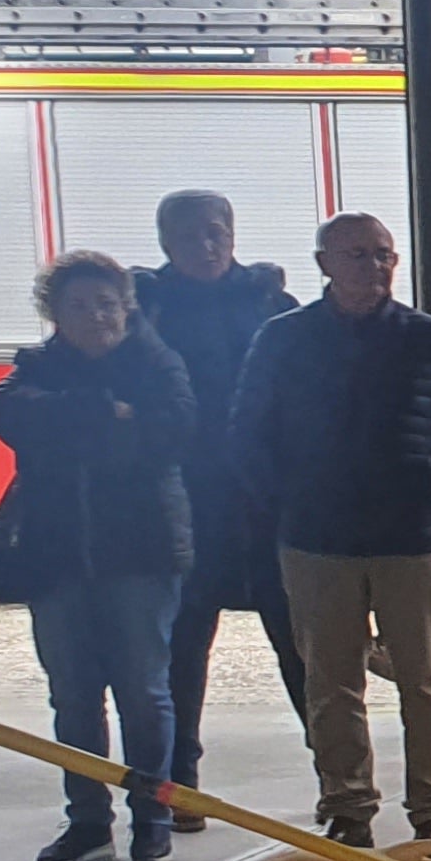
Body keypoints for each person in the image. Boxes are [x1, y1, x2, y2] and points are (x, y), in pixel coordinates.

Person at [235, 211, 431, 850]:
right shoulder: (282, 340)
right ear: (324, 265)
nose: (374, 267)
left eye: (384, 254)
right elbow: (247, 430)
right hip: (317, 539)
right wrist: (280, 503)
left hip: (414, 536)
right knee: (331, 681)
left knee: (428, 682)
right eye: (358, 255)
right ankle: (346, 806)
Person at [0, 253, 195, 861]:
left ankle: (152, 818)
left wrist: (72, 415)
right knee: (72, 696)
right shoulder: (33, 369)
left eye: (106, 303)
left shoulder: (158, 364)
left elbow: (176, 431)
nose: (95, 316)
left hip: (143, 554)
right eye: (78, 305)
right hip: (55, 560)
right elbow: (9, 414)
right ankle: (88, 823)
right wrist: (108, 410)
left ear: (126, 305)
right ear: (54, 314)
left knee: (144, 693)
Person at [131, 189, 305, 825]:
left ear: (232, 233)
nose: (204, 246)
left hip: (265, 502)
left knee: (299, 646)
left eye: (215, 232)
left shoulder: (273, 305)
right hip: (181, 505)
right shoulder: (143, 310)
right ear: (165, 244)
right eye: (187, 236)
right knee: (179, 653)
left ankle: (340, 785)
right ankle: (181, 789)